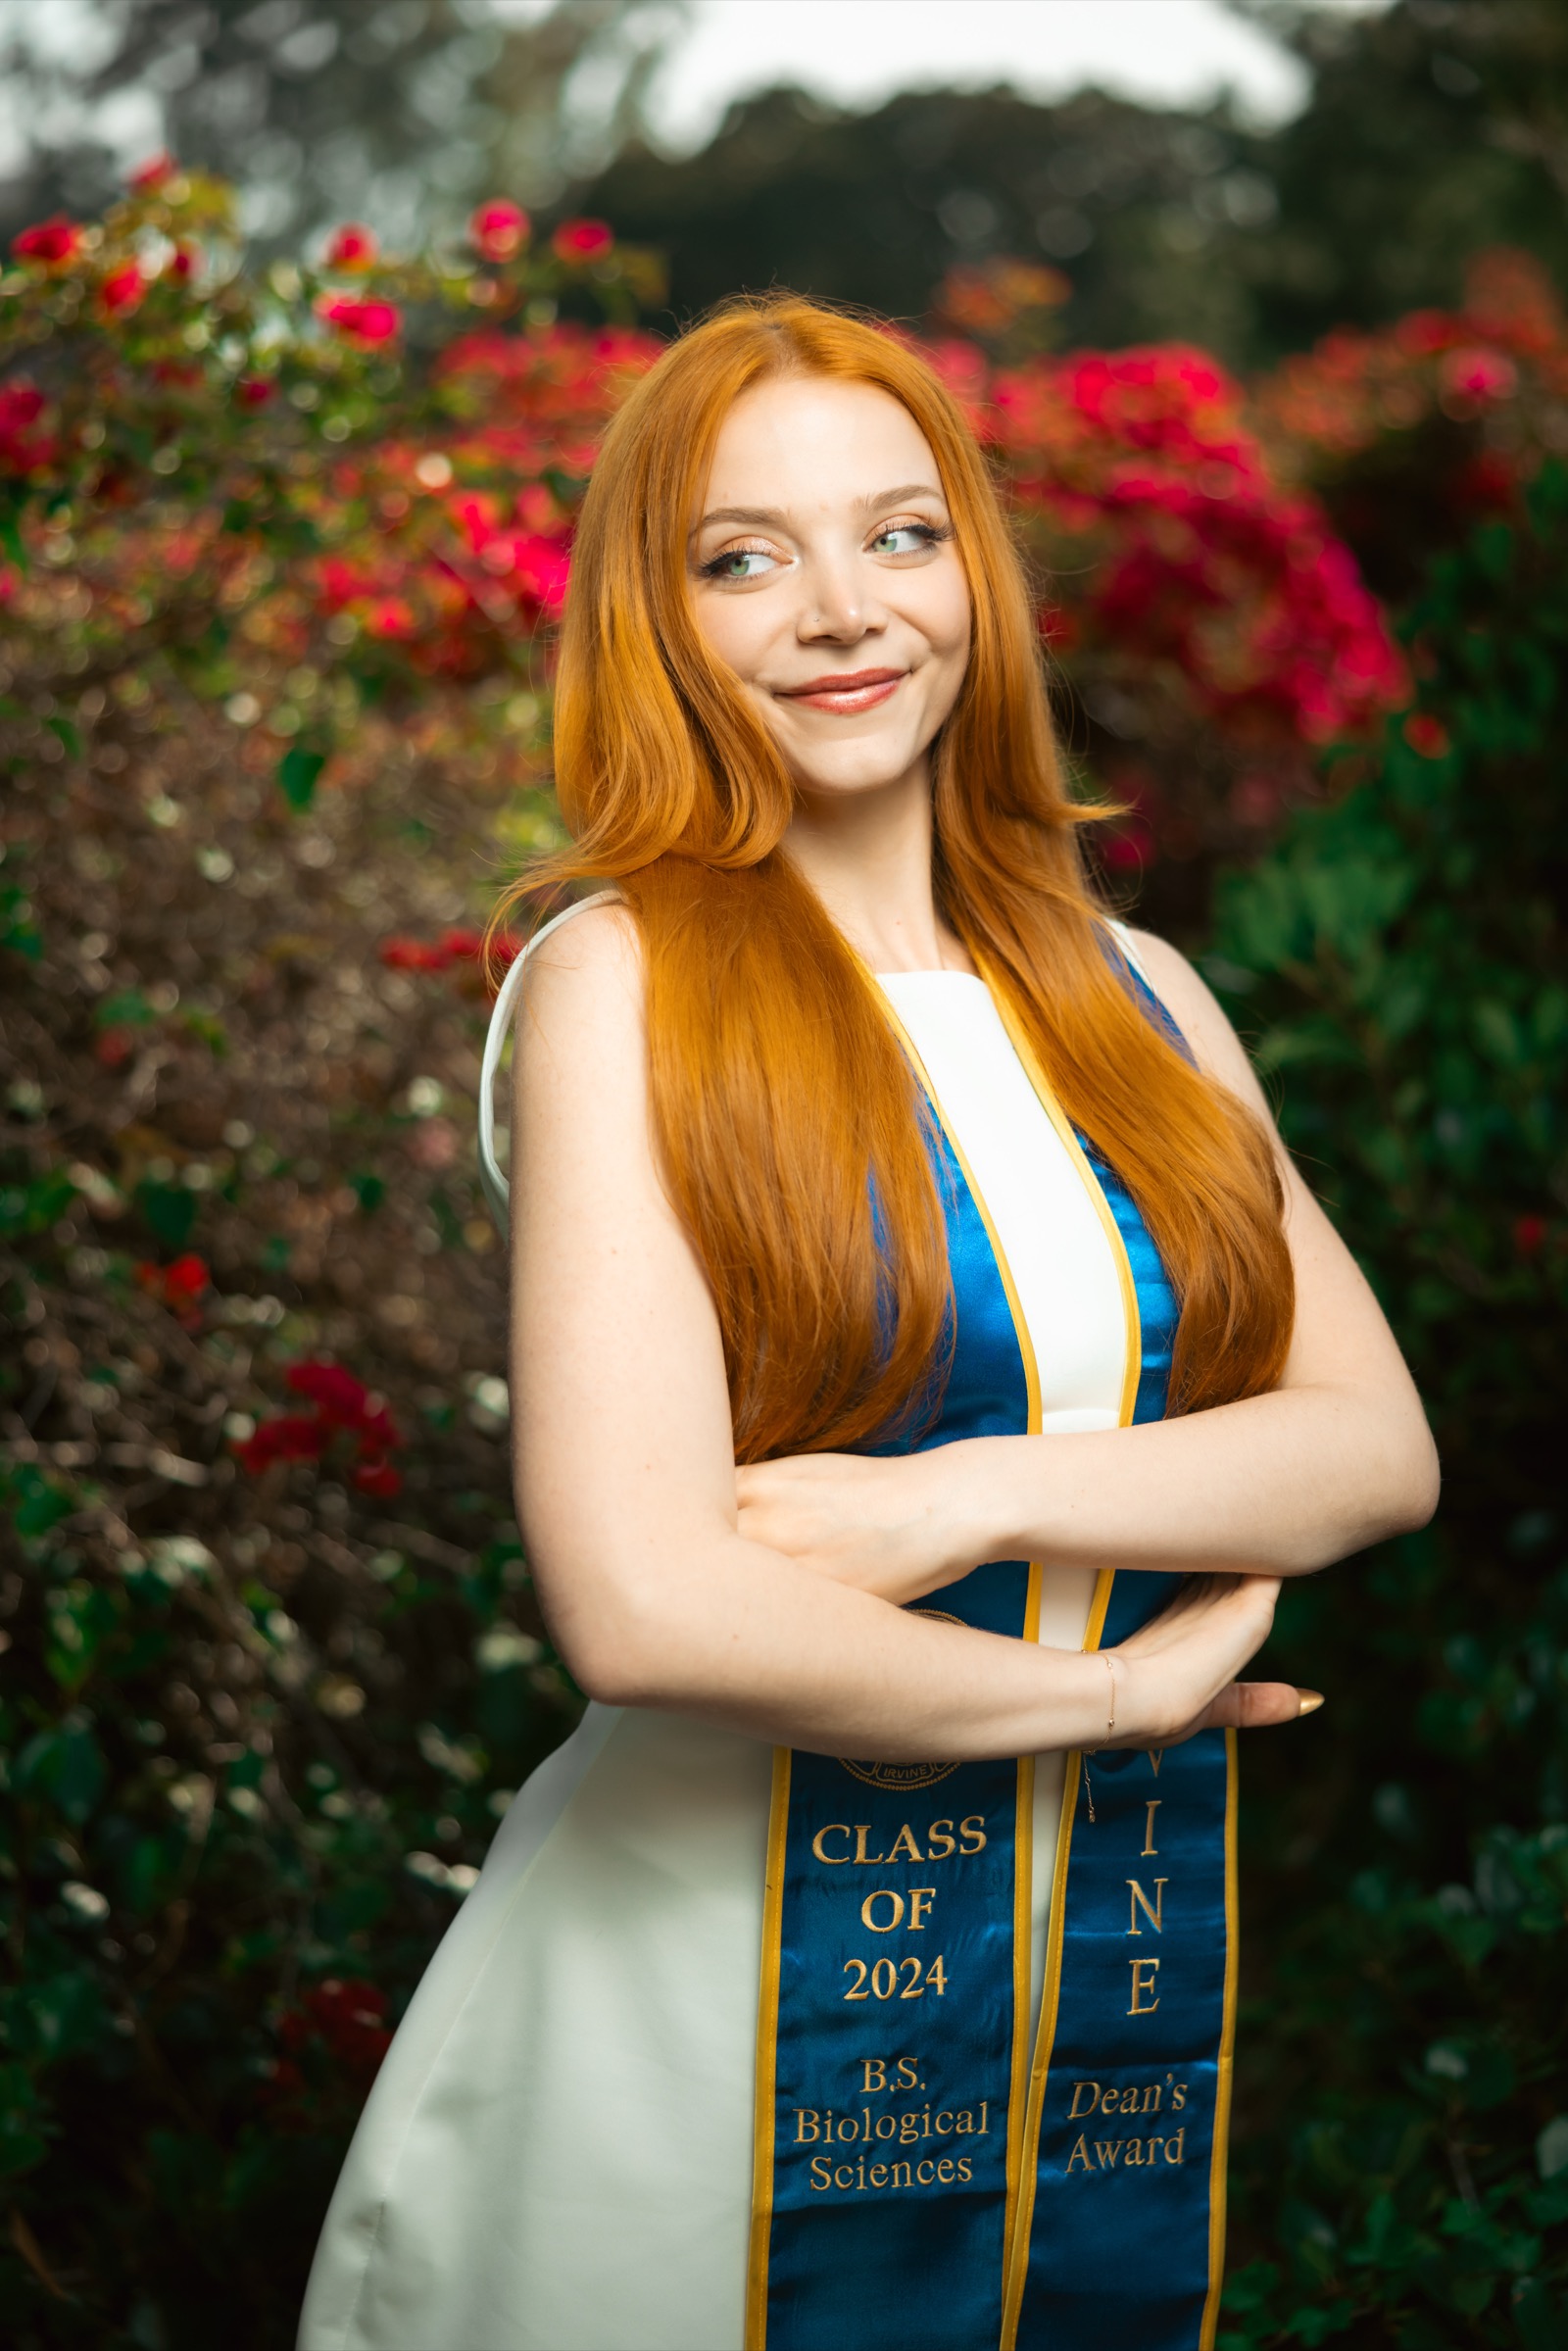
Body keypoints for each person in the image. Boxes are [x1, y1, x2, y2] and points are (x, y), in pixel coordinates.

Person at [299, 297, 1438, 2351]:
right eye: (745, 558)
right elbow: (646, 1609)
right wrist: (1118, 1704)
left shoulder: (1142, 996)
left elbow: (1367, 1444)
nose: (839, 611)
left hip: (1081, 1990)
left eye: (896, 538)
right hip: (686, 2016)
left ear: (972, 584)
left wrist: (958, 1504)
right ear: (657, 620)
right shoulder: (620, 982)